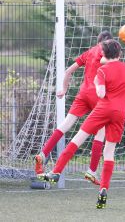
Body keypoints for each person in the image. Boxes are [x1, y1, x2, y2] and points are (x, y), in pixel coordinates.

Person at [44, 39, 125, 209]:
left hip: (103, 110)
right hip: (120, 113)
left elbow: (100, 93)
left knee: (78, 139)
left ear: (104, 55)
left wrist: (103, 88)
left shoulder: (102, 70)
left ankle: (56, 172)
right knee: (109, 152)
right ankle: (103, 190)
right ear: (120, 54)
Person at [34, 31, 113, 185]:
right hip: (98, 95)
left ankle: (43, 154)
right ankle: (91, 171)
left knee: (65, 125)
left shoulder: (89, 52)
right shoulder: (107, 56)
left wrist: (63, 90)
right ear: (107, 43)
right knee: (100, 133)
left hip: (83, 93)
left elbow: (68, 71)